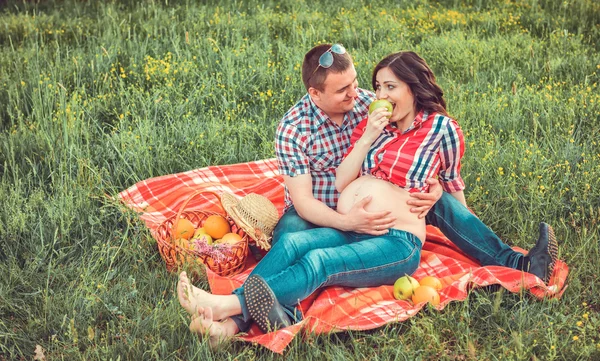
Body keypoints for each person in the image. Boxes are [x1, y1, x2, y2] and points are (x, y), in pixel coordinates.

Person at [177, 45, 558, 346]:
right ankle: (236, 324)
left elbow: (446, 178)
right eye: (354, 89)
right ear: (315, 93)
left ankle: (228, 305)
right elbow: (327, 189)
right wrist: (351, 213)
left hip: (392, 237)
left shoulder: (395, 116)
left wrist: (436, 186)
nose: (364, 95)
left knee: (321, 261)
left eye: (373, 86)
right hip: (330, 215)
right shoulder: (306, 127)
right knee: (292, 243)